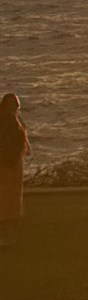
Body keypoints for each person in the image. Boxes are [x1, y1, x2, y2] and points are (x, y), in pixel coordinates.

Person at [0, 94, 28, 244]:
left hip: (11, 163)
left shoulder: (12, 120)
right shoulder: (11, 121)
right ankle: (6, 235)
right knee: (9, 198)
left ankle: (7, 234)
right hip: (9, 164)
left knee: (8, 198)